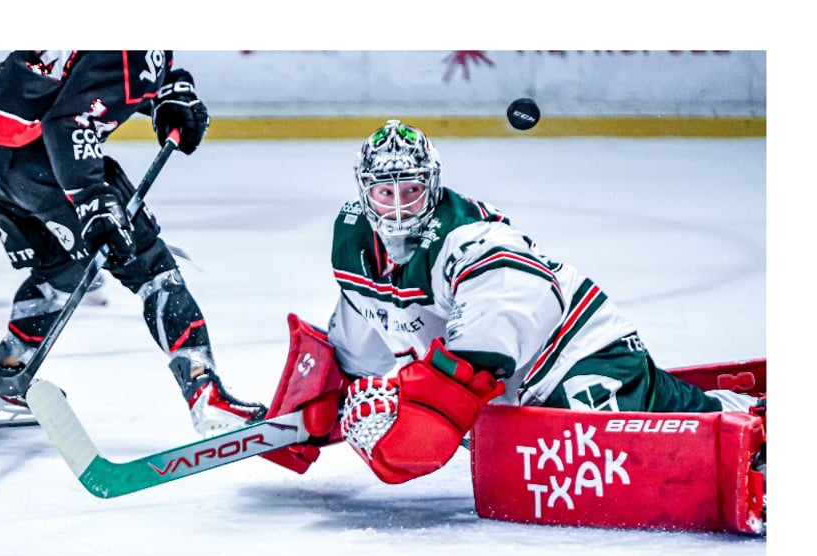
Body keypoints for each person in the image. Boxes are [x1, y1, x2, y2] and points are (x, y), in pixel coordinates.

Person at [288, 119, 765, 484]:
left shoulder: (469, 234)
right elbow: (369, 324)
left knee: (618, 448)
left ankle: (745, 417)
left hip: (573, 352)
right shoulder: (355, 246)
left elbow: (508, 303)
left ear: (431, 185)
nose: (397, 206)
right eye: (385, 192)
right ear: (364, 192)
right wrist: (331, 395)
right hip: (512, 389)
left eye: (411, 191)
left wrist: (438, 398)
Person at [0, 50, 265, 433]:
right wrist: (92, 200)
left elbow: (79, 77)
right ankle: (206, 396)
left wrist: (169, 92)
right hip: (44, 157)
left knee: (61, 268)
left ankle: (7, 375)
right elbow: (68, 120)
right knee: (153, 270)